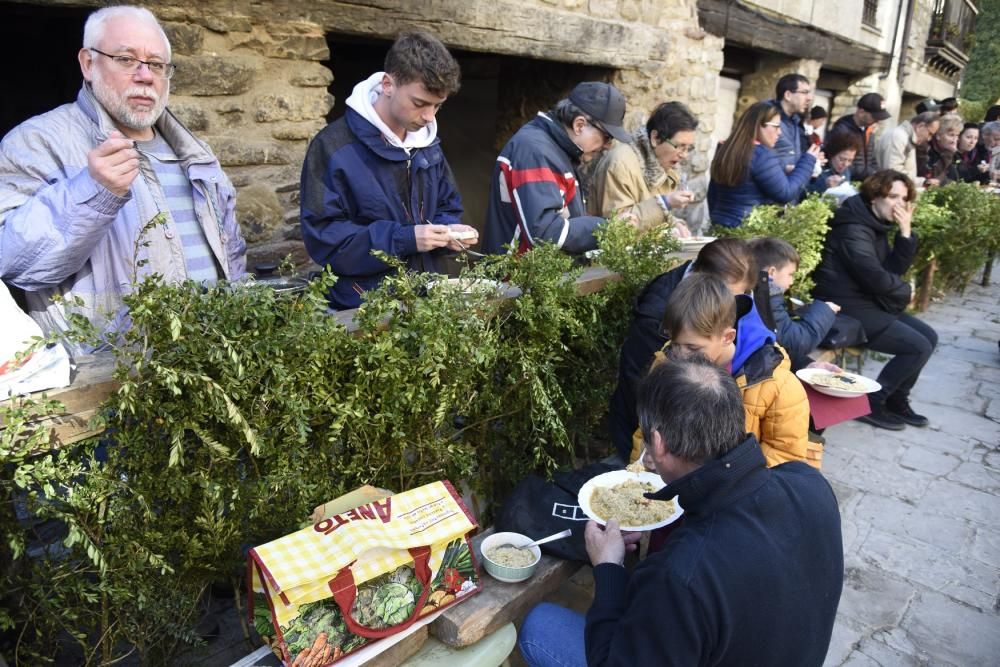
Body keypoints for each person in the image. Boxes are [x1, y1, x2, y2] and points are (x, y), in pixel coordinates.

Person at [518, 356, 844, 667]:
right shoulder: (810, 484)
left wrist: (608, 568)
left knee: (539, 626)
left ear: (657, 444)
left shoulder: (679, 577)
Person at [0, 5, 246, 347]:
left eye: (157, 65)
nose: (146, 76)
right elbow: (13, 264)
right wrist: (94, 191)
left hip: (211, 367)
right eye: (127, 59)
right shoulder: (35, 143)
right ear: (88, 63)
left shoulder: (198, 155)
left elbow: (232, 258)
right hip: (113, 380)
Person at [300, 32, 475, 310]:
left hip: (428, 301)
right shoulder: (333, 148)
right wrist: (405, 239)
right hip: (366, 308)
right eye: (419, 103)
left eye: (437, 105)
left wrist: (447, 232)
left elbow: (447, 205)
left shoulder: (428, 144)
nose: (430, 117)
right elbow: (327, 242)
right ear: (387, 84)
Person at [634, 273, 815, 469]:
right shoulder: (665, 363)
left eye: (693, 348)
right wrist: (645, 457)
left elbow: (785, 454)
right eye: (675, 344)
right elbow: (647, 428)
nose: (680, 356)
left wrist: (727, 478)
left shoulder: (777, 385)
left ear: (727, 337)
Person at [607, 238, 756, 461]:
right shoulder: (657, 319)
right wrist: (647, 456)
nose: (731, 307)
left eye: (738, 297)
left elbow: (766, 337)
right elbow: (638, 392)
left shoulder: (739, 300)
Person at [812, 170, 937, 430]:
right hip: (844, 306)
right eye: (892, 196)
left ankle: (896, 400)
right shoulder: (853, 228)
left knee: (930, 337)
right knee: (917, 346)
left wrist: (905, 233)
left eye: (904, 198)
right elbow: (874, 277)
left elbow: (890, 272)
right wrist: (905, 292)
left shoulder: (874, 223)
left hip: (865, 301)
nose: (899, 204)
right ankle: (873, 403)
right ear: (874, 197)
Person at [483, 82, 632, 255]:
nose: (607, 146)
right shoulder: (535, 151)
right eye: (606, 136)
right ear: (579, 125)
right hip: (514, 278)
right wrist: (606, 228)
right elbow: (544, 234)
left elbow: (566, 219)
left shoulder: (560, 151)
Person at [587, 101, 697, 235]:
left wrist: (675, 224)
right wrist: (665, 202)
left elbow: (650, 215)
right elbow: (618, 228)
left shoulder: (663, 165)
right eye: (679, 146)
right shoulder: (621, 163)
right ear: (655, 138)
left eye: (688, 148)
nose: (684, 155)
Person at [707, 101, 820, 228]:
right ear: (759, 126)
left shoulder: (726, 149)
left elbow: (713, 193)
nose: (780, 132)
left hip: (720, 225)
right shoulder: (761, 154)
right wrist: (808, 161)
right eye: (776, 126)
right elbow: (785, 193)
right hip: (747, 230)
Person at [750, 237, 839, 371]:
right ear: (771, 272)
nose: (792, 281)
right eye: (790, 274)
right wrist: (826, 310)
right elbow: (796, 342)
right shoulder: (765, 296)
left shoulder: (761, 292)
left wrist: (807, 364)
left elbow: (778, 344)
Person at [830, 92, 892, 181]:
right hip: (847, 180)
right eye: (874, 117)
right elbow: (840, 163)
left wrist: (875, 173)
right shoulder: (842, 130)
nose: (877, 120)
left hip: (864, 181)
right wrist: (868, 173)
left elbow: (872, 158)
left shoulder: (868, 129)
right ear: (861, 112)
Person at [874, 111, 941, 179]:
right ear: (920, 126)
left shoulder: (906, 138)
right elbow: (892, 173)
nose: (929, 139)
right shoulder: (899, 137)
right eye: (930, 134)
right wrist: (922, 182)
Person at [772, 73, 813, 175]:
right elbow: (754, 156)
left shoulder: (795, 120)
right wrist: (785, 168)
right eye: (804, 92)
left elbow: (792, 155)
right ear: (788, 95)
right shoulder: (766, 119)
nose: (809, 98)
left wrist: (811, 158)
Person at [810, 129, 863, 195]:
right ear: (832, 154)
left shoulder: (846, 171)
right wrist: (824, 185)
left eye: (850, 160)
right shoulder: (817, 166)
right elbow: (803, 191)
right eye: (842, 159)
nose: (845, 164)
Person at [923, 114, 963, 186]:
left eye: (957, 135)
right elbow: (931, 175)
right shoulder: (927, 150)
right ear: (938, 135)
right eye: (951, 135)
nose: (955, 140)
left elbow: (958, 176)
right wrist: (948, 154)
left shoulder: (949, 150)